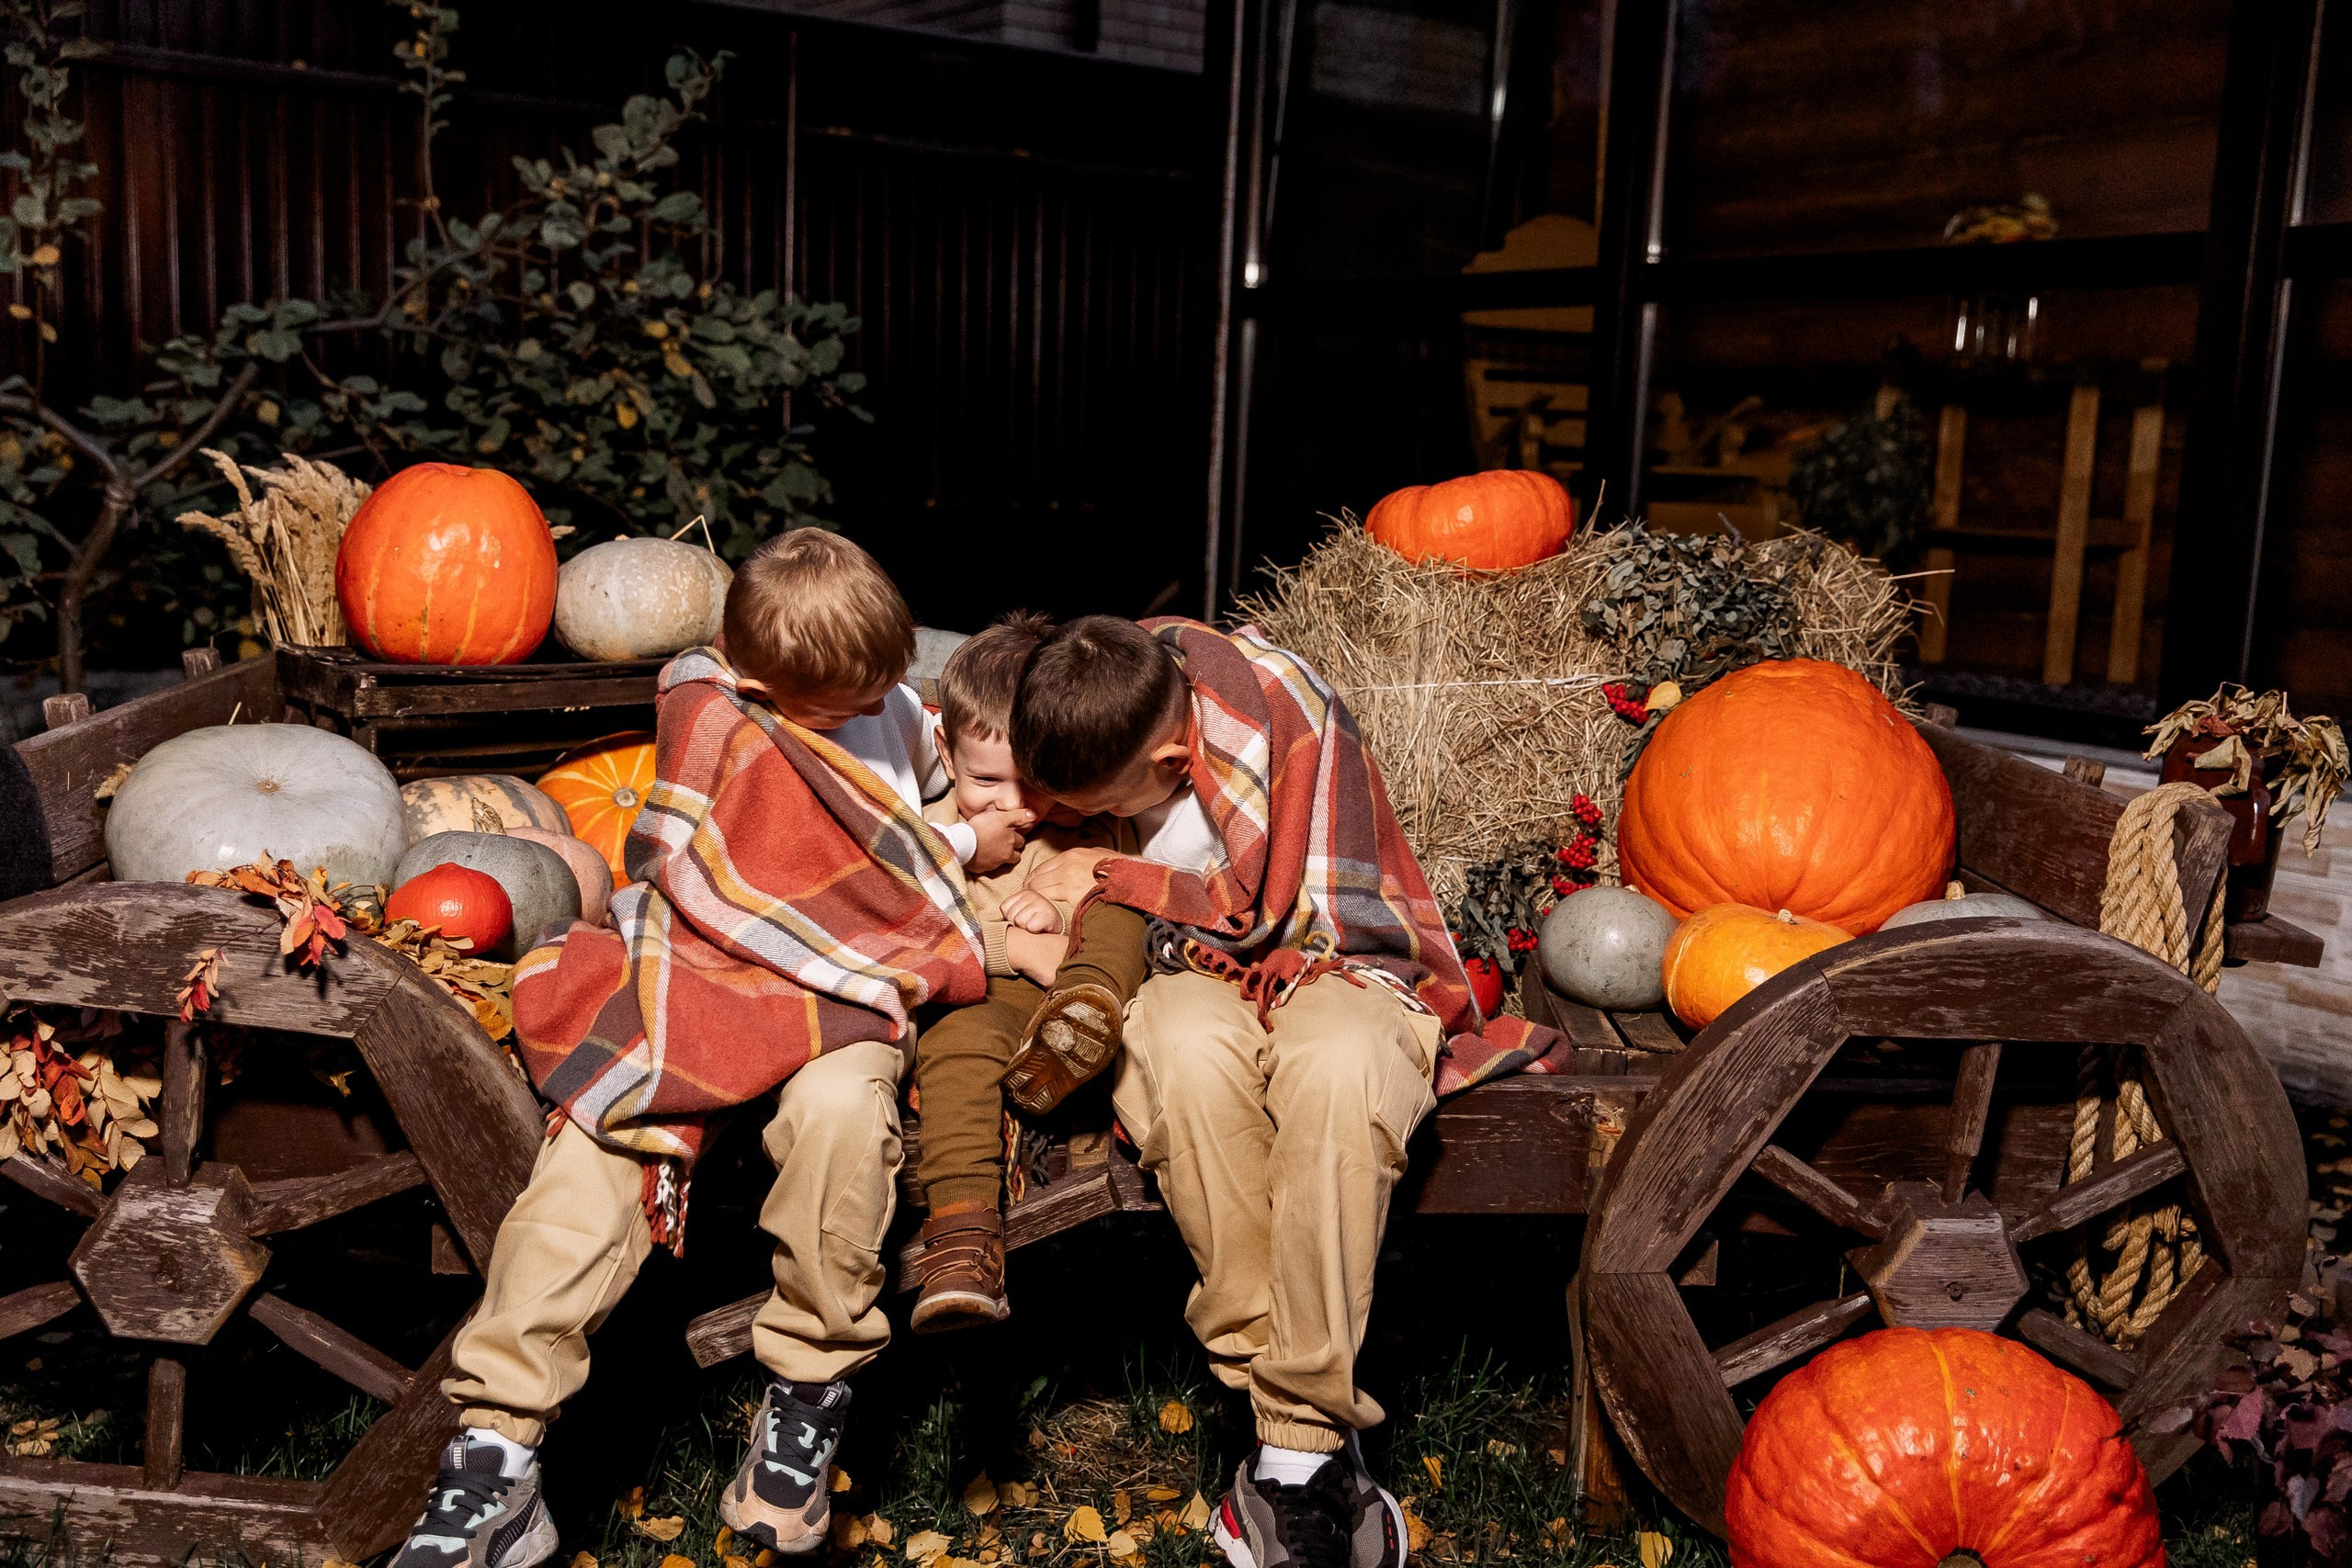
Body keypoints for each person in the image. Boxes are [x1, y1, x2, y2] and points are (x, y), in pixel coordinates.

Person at [388, 532, 1028, 1568]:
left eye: (882, 688)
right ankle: (496, 1449)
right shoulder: (717, 715)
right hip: (701, 970)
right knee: (605, 1135)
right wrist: (949, 850)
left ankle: (808, 1391)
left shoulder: (891, 710)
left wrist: (955, 828)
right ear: (750, 675)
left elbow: (893, 846)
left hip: (842, 989)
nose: (872, 712)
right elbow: (760, 852)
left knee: (844, 1113)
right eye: (845, 702)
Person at [1011, 615, 1561, 1568]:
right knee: (1181, 1059)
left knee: (1341, 1066)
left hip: (1333, 965)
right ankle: (1308, 1453)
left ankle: (1284, 1459)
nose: (1060, 815)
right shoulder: (1096, 690)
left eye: (1091, 804)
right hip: (1180, 978)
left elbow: (1301, 916)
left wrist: (1117, 871)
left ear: (1177, 758)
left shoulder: (1279, 712)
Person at [905, 614, 1151, 1332]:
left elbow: (1139, 894)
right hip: (987, 992)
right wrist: (1016, 941)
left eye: (1037, 781)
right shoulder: (928, 835)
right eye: (988, 780)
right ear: (946, 755)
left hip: (1082, 983)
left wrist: (1067, 899)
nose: (1016, 805)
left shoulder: (1083, 823)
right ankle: (962, 1240)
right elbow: (908, 933)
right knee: (957, 1042)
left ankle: (1087, 1013)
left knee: (1120, 897)